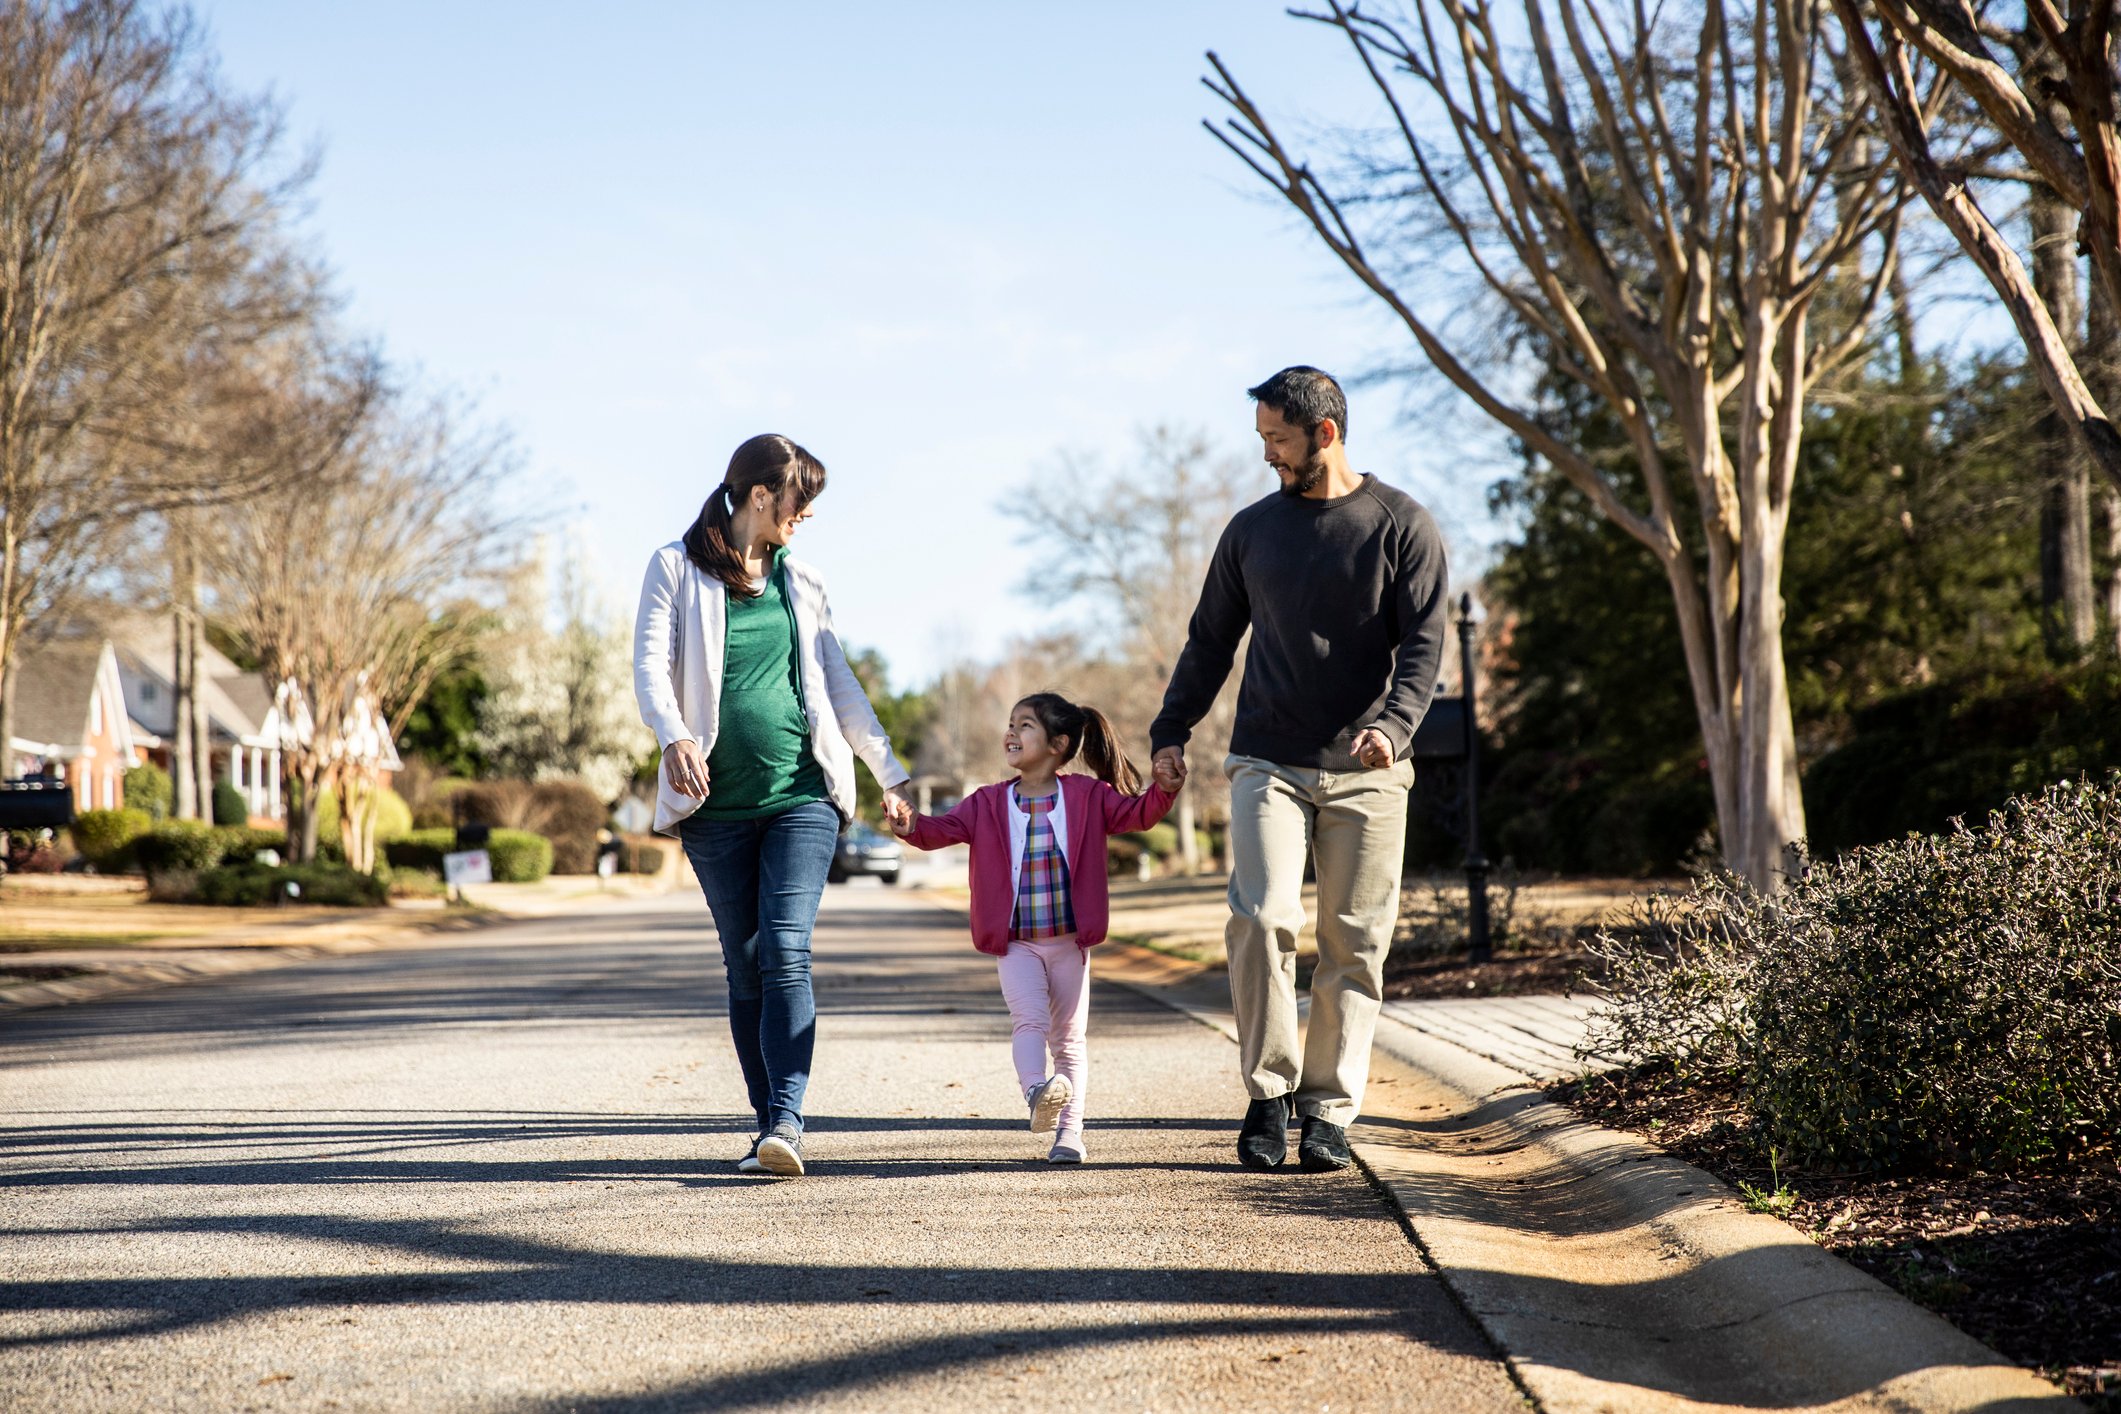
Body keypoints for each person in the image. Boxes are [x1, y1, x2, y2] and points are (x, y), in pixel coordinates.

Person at [1149, 367, 1450, 1173]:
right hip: (1266, 759)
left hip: (1369, 766)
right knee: (1260, 915)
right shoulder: (1251, 532)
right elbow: (1210, 640)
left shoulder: (1400, 526)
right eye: (1261, 441)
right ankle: (1267, 1093)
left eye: (1276, 440)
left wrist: (1393, 727)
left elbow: (1424, 647)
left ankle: (1328, 1108)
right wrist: (1171, 728)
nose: (1267, 456)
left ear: (1324, 433)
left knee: (1353, 941)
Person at [633, 433, 914, 1179]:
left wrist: (888, 770)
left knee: (786, 948)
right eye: (801, 500)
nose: (806, 515)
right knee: (745, 963)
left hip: (801, 794)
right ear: (762, 496)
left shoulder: (805, 581)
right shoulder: (674, 567)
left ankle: (787, 1114)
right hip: (714, 806)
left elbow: (838, 683)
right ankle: (768, 1128)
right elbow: (650, 668)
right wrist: (673, 737)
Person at [888, 692, 1181, 1163]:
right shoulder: (987, 802)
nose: (1011, 732)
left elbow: (1139, 814)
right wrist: (908, 825)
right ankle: (1036, 1094)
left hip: (1070, 943)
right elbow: (937, 831)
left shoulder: (1087, 796)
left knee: (1068, 1041)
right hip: (1017, 944)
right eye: (1010, 723)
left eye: (1024, 725)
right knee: (1028, 1022)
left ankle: (1069, 1136)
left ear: (1058, 744)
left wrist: (1164, 789)